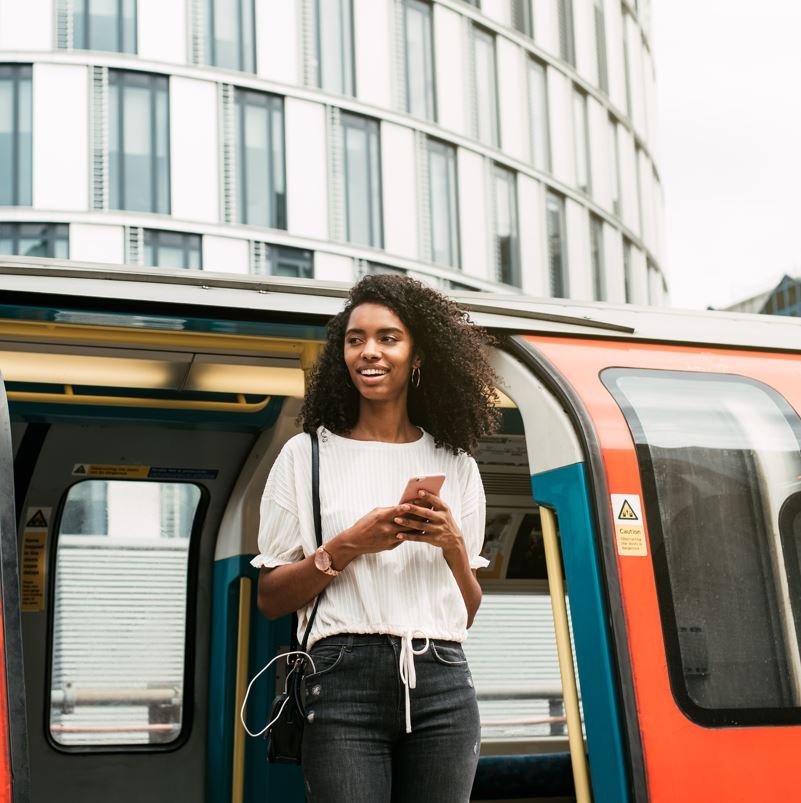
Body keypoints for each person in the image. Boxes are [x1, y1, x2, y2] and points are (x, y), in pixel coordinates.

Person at [251, 274, 500, 803]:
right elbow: (270, 598)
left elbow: (469, 610)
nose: (370, 352)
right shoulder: (305, 457)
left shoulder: (456, 464)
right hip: (342, 679)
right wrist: (348, 544)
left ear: (417, 355)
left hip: (445, 682)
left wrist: (454, 546)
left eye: (388, 337)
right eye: (355, 338)